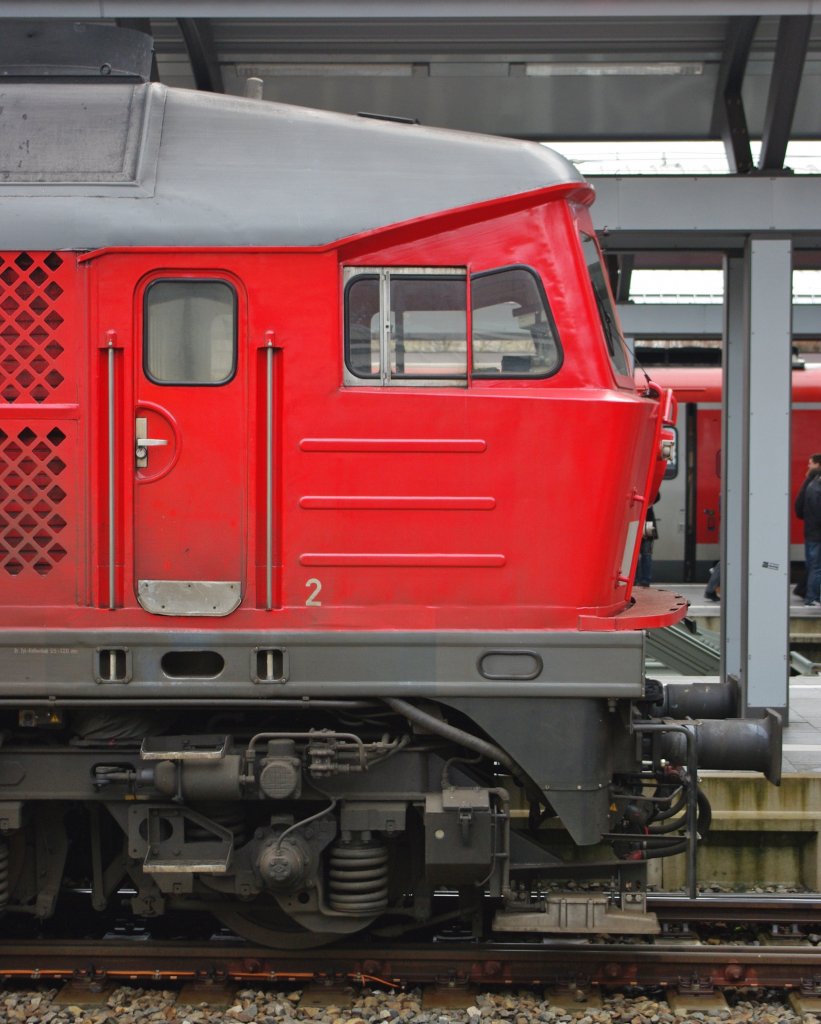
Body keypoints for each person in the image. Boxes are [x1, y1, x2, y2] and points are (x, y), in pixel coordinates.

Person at [795, 454, 821, 607]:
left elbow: (799, 509)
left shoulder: (810, 485)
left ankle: (807, 593)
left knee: (813, 565)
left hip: (811, 532)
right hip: (816, 534)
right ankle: (811, 597)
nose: (808, 466)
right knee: (816, 567)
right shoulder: (816, 489)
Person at [635, 493, 659, 587]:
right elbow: (657, 496)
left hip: (639, 525)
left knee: (637, 556)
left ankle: (637, 580)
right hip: (648, 526)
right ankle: (645, 580)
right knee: (646, 555)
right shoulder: (650, 496)